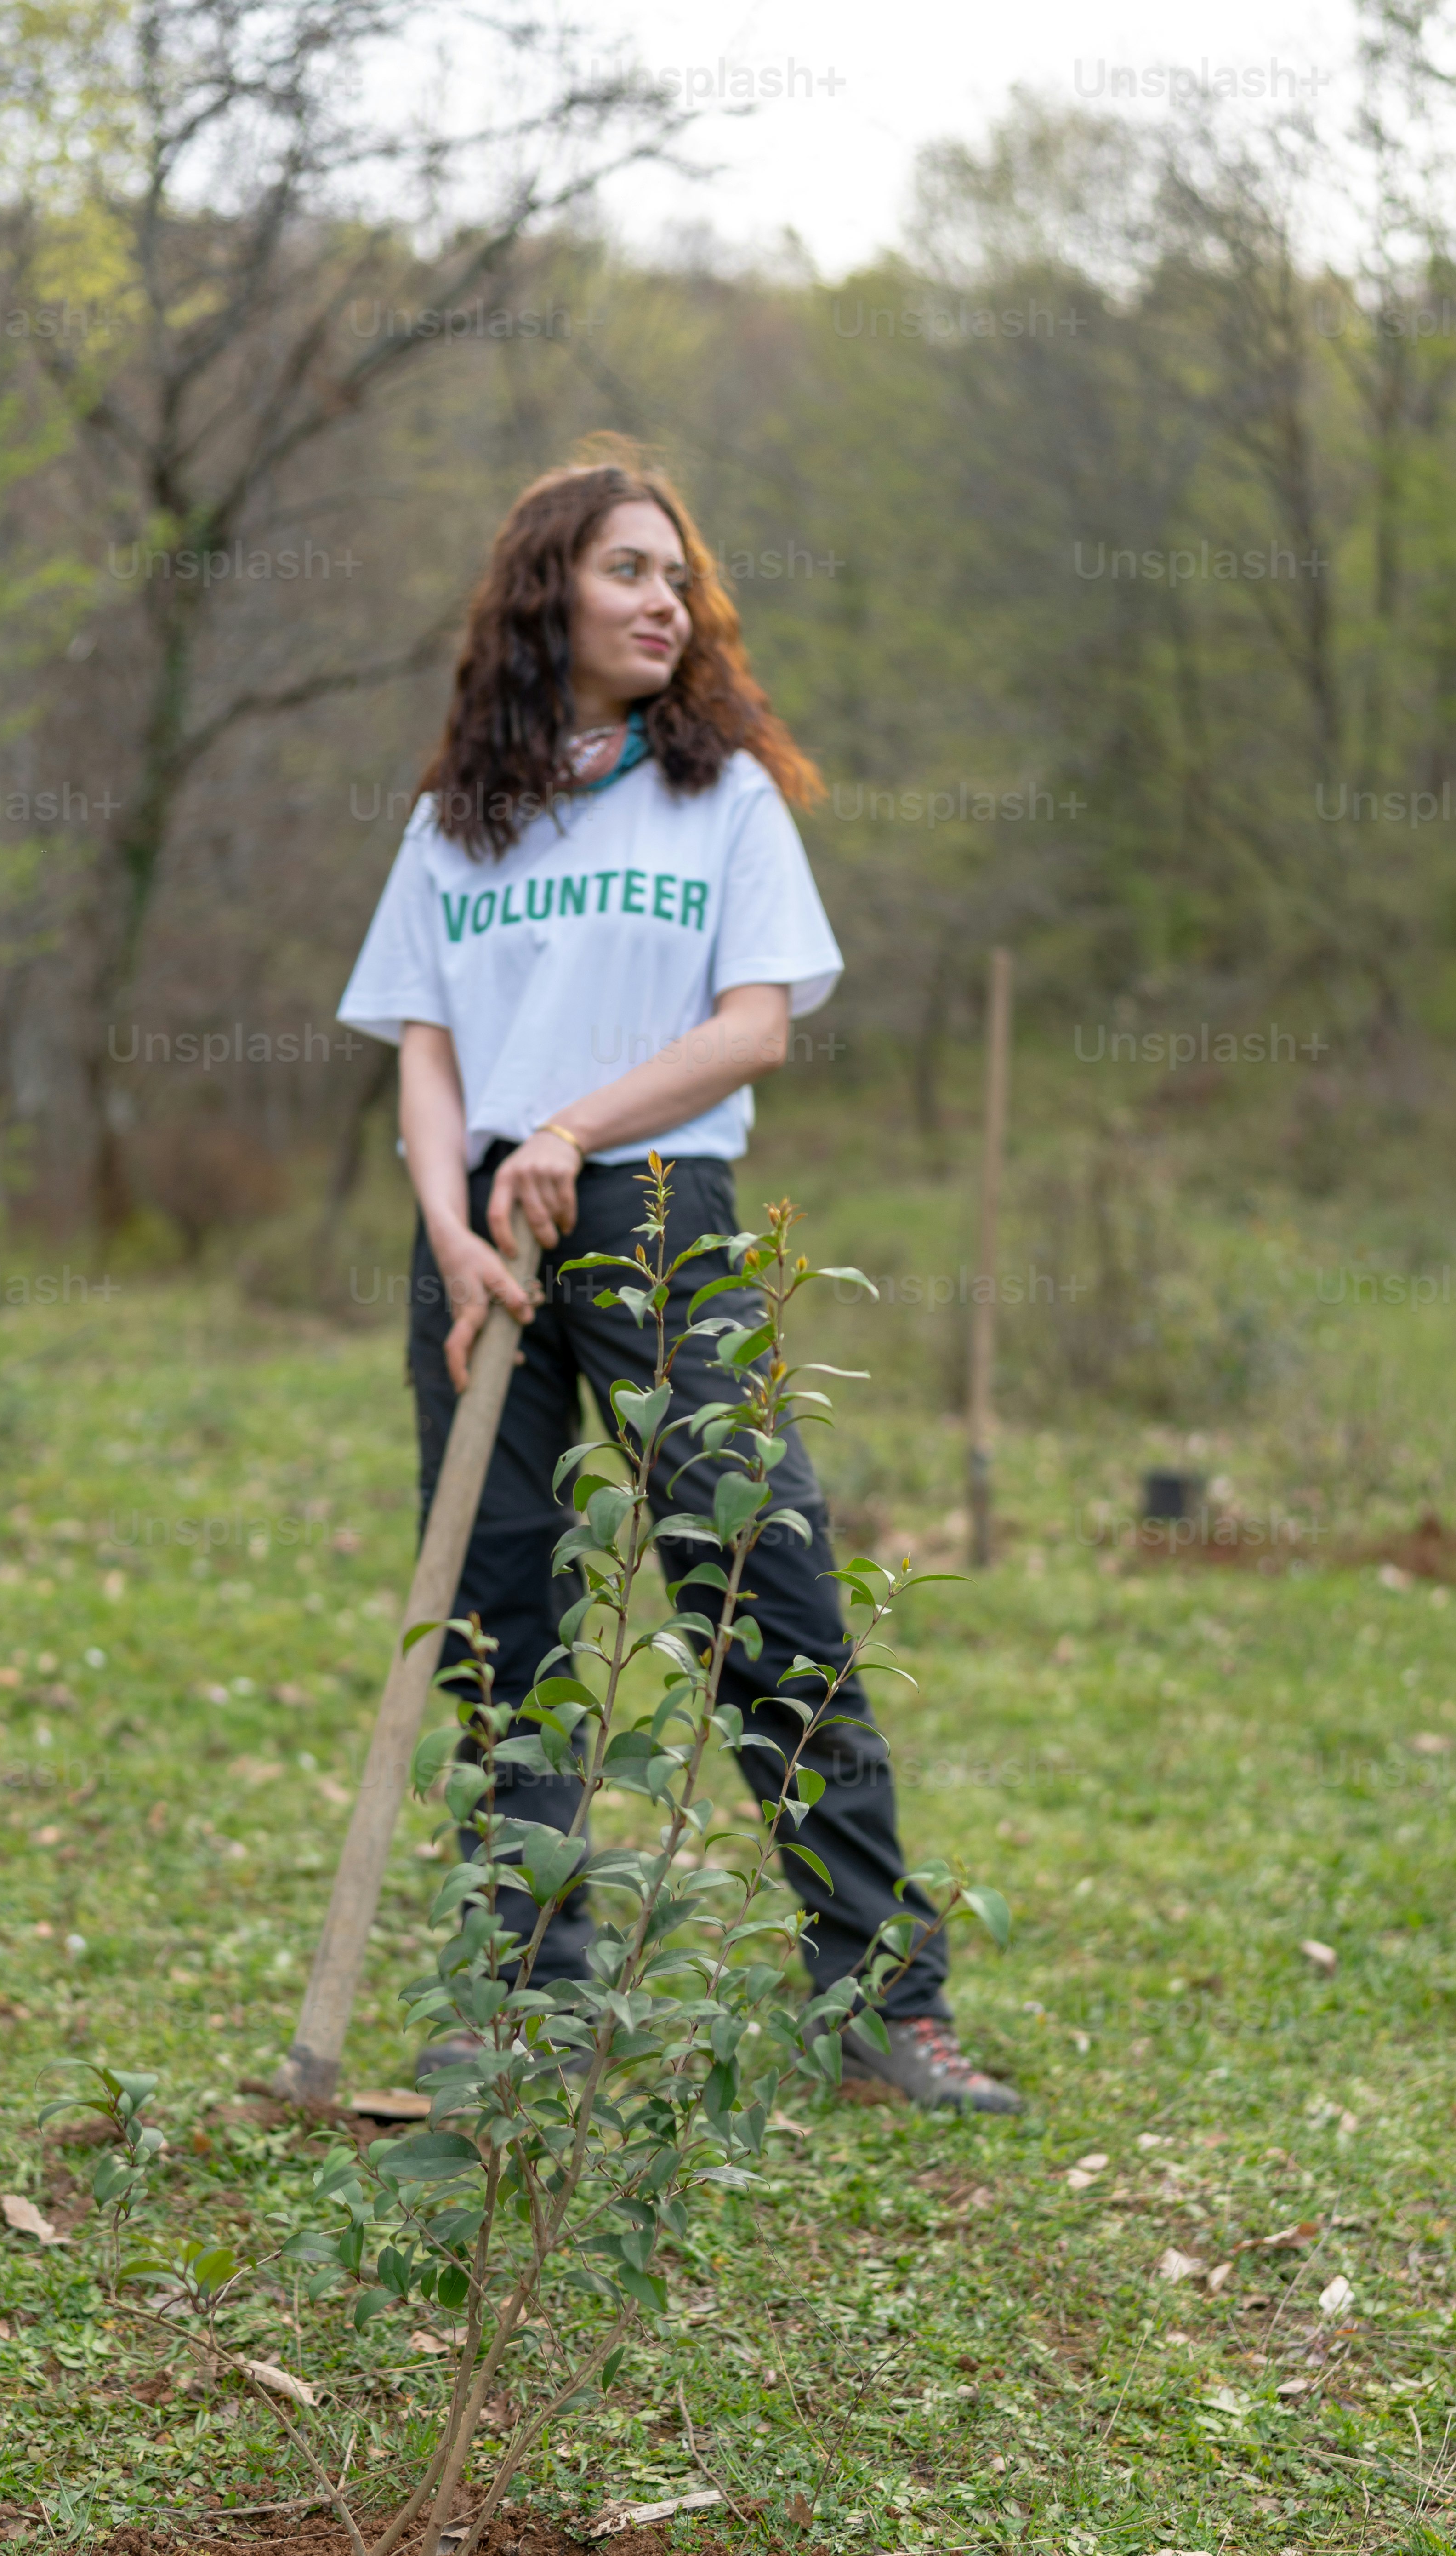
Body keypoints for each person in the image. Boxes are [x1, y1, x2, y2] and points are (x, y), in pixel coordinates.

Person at [337, 442, 1022, 2115]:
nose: (667, 600)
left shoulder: (720, 797)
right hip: (481, 1241)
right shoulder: (455, 826)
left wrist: (571, 1126)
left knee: (761, 1597)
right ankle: (520, 2005)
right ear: (544, 594)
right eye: (629, 570)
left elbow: (753, 1024)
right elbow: (427, 1053)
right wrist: (449, 1221)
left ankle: (881, 2004)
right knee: (501, 1623)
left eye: (677, 577)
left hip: (654, 1206)